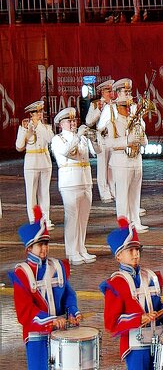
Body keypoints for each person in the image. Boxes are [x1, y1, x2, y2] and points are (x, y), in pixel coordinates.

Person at [10, 206, 82, 370]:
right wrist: (51, 320)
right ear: (29, 247)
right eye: (40, 244)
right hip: (37, 338)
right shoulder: (22, 274)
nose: (44, 249)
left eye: (46, 244)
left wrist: (73, 310)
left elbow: (68, 292)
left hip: (59, 336)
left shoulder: (57, 267)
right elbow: (25, 312)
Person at [100, 218, 163, 370]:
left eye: (137, 249)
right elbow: (111, 321)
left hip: (156, 340)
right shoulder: (115, 284)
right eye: (130, 250)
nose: (135, 254)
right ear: (118, 256)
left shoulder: (151, 277)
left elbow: (157, 306)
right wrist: (138, 319)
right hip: (135, 343)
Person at [49, 108, 95, 264]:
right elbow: (67, 152)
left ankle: (81, 248)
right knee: (72, 218)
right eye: (70, 121)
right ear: (61, 124)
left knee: (83, 218)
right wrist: (79, 136)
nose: (73, 123)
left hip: (85, 181)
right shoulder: (58, 139)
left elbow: (97, 151)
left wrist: (94, 138)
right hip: (69, 182)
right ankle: (71, 252)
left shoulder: (80, 138)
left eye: (74, 120)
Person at [105, 89, 149, 232]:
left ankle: (136, 221)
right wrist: (127, 140)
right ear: (118, 108)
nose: (128, 109)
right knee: (123, 195)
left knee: (135, 194)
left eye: (129, 106)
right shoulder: (112, 123)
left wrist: (142, 138)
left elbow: (145, 141)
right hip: (121, 162)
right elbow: (110, 143)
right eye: (125, 106)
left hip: (136, 160)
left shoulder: (135, 121)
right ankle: (124, 224)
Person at [17, 101, 54, 229]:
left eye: (40, 112)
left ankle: (45, 219)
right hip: (31, 163)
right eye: (37, 113)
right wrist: (24, 131)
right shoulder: (25, 127)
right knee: (31, 193)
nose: (40, 115)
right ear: (31, 114)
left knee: (44, 192)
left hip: (44, 161)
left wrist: (38, 126)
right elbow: (19, 146)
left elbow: (50, 140)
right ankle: (34, 219)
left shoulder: (46, 127)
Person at [86, 79, 116, 203]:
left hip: (113, 138)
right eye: (108, 91)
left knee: (112, 166)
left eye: (111, 90)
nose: (111, 93)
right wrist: (98, 110)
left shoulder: (115, 104)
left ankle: (113, 190)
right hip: (102, 137)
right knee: (103, 166)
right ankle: (104, 192)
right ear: (102, 92)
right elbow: (89, 121)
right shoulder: (96, 104)